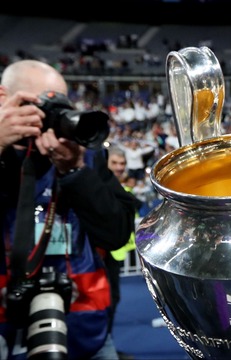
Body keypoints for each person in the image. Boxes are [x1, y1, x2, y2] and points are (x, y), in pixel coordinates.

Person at [0, 59, 137, 359]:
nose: (54, 116)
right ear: (3, 99)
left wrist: (75, 172)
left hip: (84, 325)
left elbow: (117, 234)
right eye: (45, 103)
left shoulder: (86, 157)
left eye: (61, 105)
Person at [104, 146, 141, 360]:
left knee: (112, 300)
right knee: (104, 302)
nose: (119, 168)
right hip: (100, 254)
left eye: (122, 163)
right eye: (114, 163)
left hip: (116, 254)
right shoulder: (99, 187)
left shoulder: (124, 190)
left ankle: (105, 344)